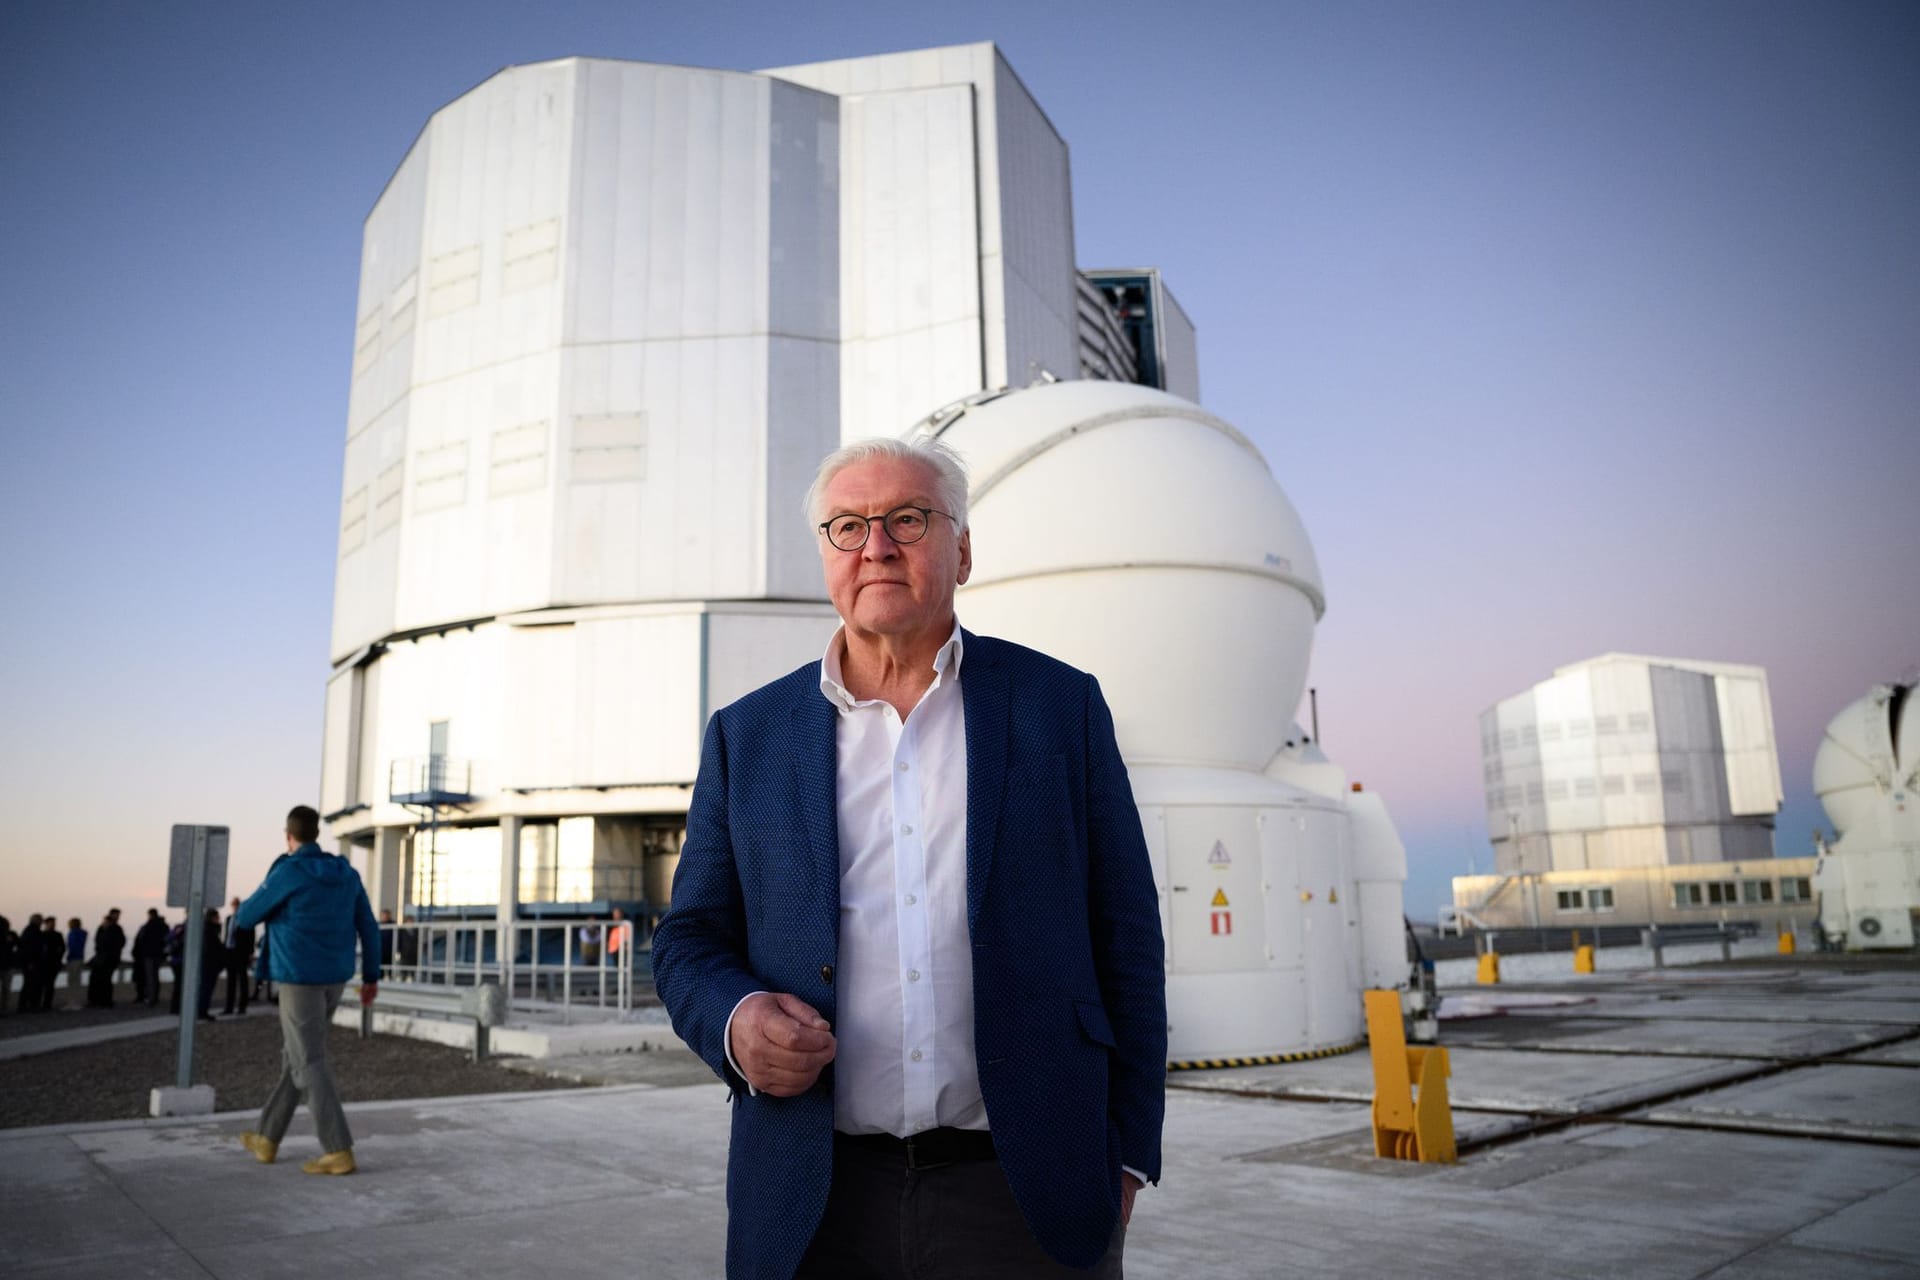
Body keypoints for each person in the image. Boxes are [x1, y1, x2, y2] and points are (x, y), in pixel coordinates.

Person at [651, 437, 1166, 1280]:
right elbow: (687, 940)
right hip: (813, 1197)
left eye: (908, 519)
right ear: (824, 553)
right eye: (848, 526)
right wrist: (737, 1020)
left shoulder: (1059, 708)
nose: (877, 546)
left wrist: (1130, 1150)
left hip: (1025, 1191)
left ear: (962, 549)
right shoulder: (747, 736)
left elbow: (1127, 939)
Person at [234, 804, 383, 1176]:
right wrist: (370, 978)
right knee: (298, 1057)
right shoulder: (346, 872)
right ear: (318, 833)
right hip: (335, 979)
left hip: (298, 978)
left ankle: (338, 1149)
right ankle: (267, 1138)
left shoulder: (290, 871)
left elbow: (245, 916)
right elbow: (368, 925)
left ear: (289, 835)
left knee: (308, 1061)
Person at [223, 896, 257, 1015]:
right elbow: (226, 935)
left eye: (236, 905)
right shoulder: (228, 919)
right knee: (230, 980)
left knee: (242, 979)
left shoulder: (246, 919)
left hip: (241, 953)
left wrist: (251, 952)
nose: (235, 907)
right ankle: (229, 1008)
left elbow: (251, 936)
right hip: (230, 951)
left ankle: (242, 1007)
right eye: (233, 905)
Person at [89, 909, 126, 1008]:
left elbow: (120, 942)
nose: (118, 917)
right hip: (105, 958)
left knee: (105, 980)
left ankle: (104, 1001)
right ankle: (99, 1000)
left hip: (108, 959)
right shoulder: (107, 929)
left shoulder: (114, 929)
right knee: (101, 980)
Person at [132, 908, 168, 1006]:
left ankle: (151, 998)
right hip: (156, 955)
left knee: (151, 977)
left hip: (149, 955)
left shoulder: (148, 926)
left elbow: (140, 940)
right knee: (153, 977)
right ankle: (152, 997)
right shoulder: (163, 926)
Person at [196, 907, 226, 1021]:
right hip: (210, 965)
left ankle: (201, 1010)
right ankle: (202, 1011)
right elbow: (212, 949)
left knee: (205, 988)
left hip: (208, 964)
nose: (219, 919)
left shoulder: (207, 930)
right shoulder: (210, 931)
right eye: (217, 917)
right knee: (206, 988)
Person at [63, 918, 88, 1009]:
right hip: (79, 958)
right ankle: (75, 1001)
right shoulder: (82, 934)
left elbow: (72, 946)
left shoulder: (73, 933)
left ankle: (73, 1002)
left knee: (73, 981)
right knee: (76, 981)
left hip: (74, 958)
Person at [0, 915, 15, 1015]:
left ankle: (4, 1008)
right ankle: (4, 1008)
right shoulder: (10, 935)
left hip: (8, 965)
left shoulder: (11, 935)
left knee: (6, 989)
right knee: (6, 989)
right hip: (8, 965)